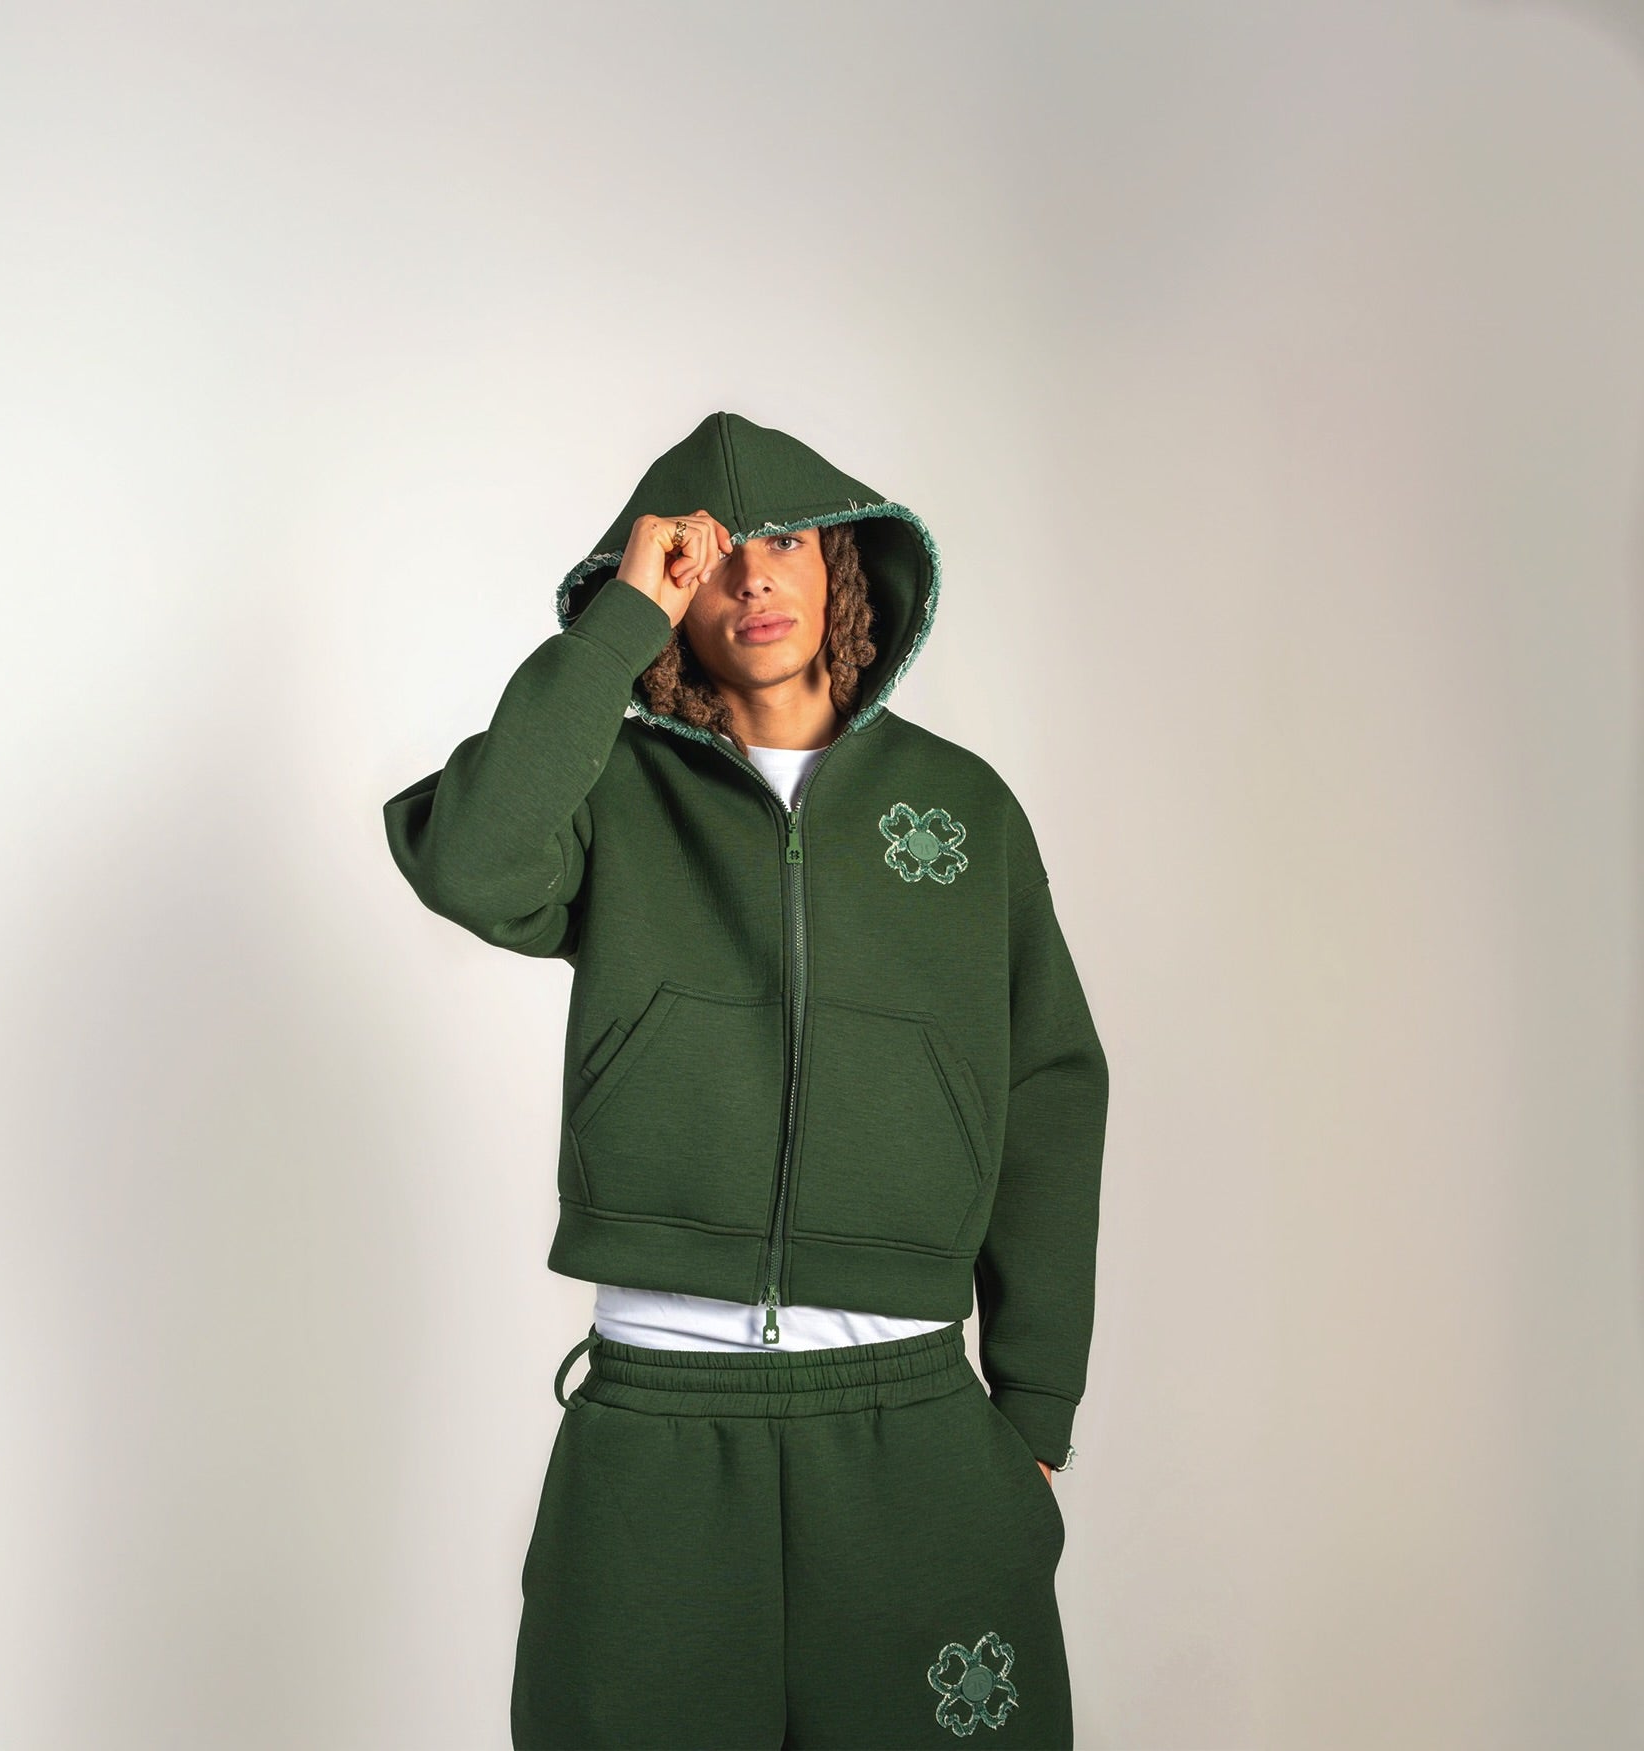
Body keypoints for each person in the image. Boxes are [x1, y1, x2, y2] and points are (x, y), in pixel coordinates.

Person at [382, 409, 1110, 1749]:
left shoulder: (966, 810)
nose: (752, 579)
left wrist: (1035, 1414)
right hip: (657, 1426)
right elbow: (471, 862)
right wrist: (615, 631)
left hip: (913, 1425)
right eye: (706, 557)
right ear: (666, 591)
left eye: (784, 545)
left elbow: (1051, 1093)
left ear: (842, 569)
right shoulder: (609, 793)